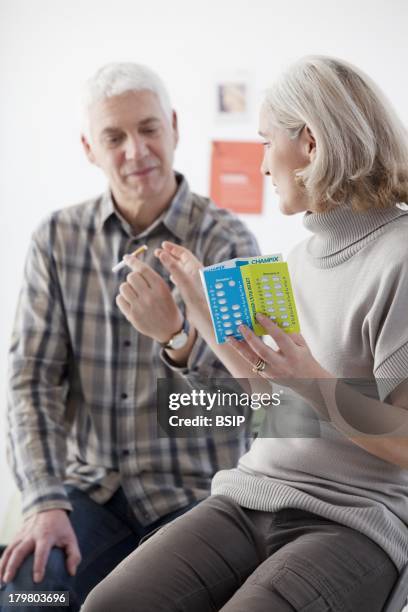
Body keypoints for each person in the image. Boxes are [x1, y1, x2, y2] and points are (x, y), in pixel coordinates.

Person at [82, 55, 408, 612]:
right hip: (250, 493)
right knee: (107, 604)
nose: (260, 165)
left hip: (353, 517)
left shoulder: (398, 257)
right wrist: (194, 317)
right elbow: (270, 404)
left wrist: (311, 381)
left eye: (264, 142)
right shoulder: (297, 261)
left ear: (309, 143)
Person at [0, 62, 259, 611]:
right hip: (89, 494)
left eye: (147, 129)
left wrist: (179, 339)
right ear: (90, 148)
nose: (136, 151)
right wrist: (44, 502)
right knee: (25, 600)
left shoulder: (229, 242)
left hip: (195, 497)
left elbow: (253, 404)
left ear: (173, 127)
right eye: (114, 137)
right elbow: (31, 382)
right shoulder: (57, 239)